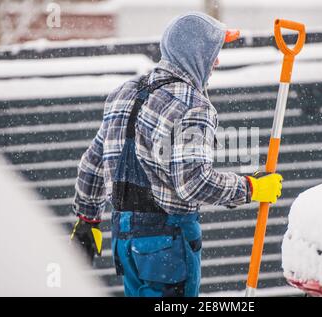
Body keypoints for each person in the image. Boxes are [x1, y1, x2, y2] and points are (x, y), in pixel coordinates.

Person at [70, 12, 283, 297]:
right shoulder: (193, 106)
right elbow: (194, 183)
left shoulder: (124, 93)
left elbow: (93, 162)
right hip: (167, 244)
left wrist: (87, 219)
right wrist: (250, 188)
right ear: (196, 53)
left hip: (124, 240)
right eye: (213, 53)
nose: (216, 62)